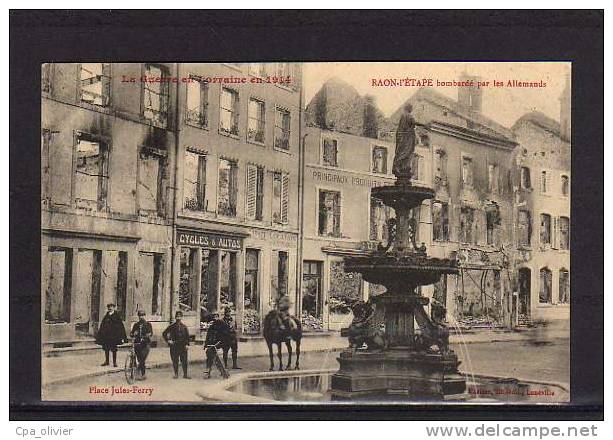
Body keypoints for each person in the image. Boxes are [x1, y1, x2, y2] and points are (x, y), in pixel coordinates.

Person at [95, 303, 127, 367]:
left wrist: (122, 336)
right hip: (106, 336)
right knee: (106, 348)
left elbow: (121, 326)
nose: (110, 308)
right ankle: (107, 361)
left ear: (114, 307)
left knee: (114, 349)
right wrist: (100, 335)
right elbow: (102, 326)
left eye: (111, 307)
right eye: (109, 307)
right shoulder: (106, 316)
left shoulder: (117, 316)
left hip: (114, 336)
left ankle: (114, 362)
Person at [162, 311, 191, 379]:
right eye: (177, 317)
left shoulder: (184, 327)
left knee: (184, 360)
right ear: (175, 317)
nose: (178, 318)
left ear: (181, 317)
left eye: (180, 316)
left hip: (183, 346)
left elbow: (187, 337)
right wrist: (168, 341)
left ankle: (185, 374)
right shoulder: (172, 326)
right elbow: (164, 333)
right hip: (174, 346)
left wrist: (187, 344)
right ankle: (176, 374)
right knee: (175, 360)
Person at [130, 310, 153, 380]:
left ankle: (142, 374)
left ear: (144, 316)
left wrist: (147, 335)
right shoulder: (136, 325)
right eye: (140, 316)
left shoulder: (148, 324)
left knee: (142, 359)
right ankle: (137, 373)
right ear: (138, 316)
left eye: (142, 315)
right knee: (138, 359)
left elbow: (151, 333)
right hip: (137, 344)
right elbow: (131, 334)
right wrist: (133, 334)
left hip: (146, 344)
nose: (141, 317)